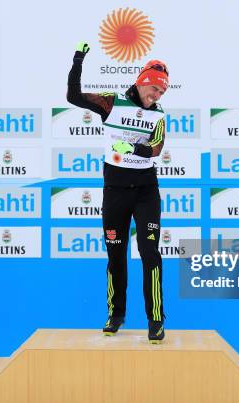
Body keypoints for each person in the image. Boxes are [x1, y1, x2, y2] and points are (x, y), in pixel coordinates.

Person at [67, 42, 168, 343]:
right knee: (116, 254)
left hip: (146, 191)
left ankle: (156, 319)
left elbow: (156, 149)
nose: (157, 96)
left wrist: (133, 147)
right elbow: (73, 96)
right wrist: (78, 60)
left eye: (162, 92)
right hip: (115, 191)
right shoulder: (112, 103)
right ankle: (116, 314)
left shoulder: (159, 115)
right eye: (154, 89)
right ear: (142, 82)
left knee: (150, 253)